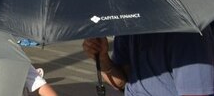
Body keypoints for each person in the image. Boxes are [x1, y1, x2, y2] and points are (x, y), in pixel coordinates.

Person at [82, 27, 214, 96]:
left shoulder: (188, 35)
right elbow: (121, 82)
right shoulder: (129, 24)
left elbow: (195, 92)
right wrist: (102, 59)